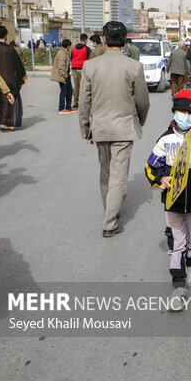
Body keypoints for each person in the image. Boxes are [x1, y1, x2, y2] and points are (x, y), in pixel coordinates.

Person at [79, 21, 150, 237]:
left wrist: (85, 129)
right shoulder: (133, 66)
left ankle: (110, 210)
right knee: (118, 176)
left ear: (103, 38)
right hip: (123, 128)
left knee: (106, 174)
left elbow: (84, 102)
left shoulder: (90, 66)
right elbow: (143, 101)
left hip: (100, 128)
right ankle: (110, 221)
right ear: (124, 40)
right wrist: (141, 120)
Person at [145, 89, 191, 304]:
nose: (185, 116)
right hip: (172, 200)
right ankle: (178, 281)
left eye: (190, 112)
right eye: (181, 111)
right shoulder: (165, 139)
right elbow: (151, 166)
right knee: (177, 241)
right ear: (174, 111)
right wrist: (160, 180)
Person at [0, 26, 26, 131]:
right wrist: (22, 77)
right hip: (8, 79)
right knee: (7, 100)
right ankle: (6, 123)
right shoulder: (9, 49)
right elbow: (18, 65)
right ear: (5, 35)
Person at [50, 39, 75, 114]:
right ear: (67, 46)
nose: (70, 47)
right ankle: (61, 108)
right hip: (62, 75)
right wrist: (65, 75)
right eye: (70, 45)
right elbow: (61, 66)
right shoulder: (62, 53)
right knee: (64, 91)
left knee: (70, 91)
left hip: (66, 74)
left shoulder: (66, 52)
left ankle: (68, 106)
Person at [70, 33, 91, 108]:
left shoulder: (74, 48)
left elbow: (71, 57)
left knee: (76, 85)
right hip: (82, 68)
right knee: (83, 86)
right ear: (86, 40)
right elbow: (89, 59)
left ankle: (75, 102)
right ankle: (83, 102)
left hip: (74, 68)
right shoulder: (87, 49)